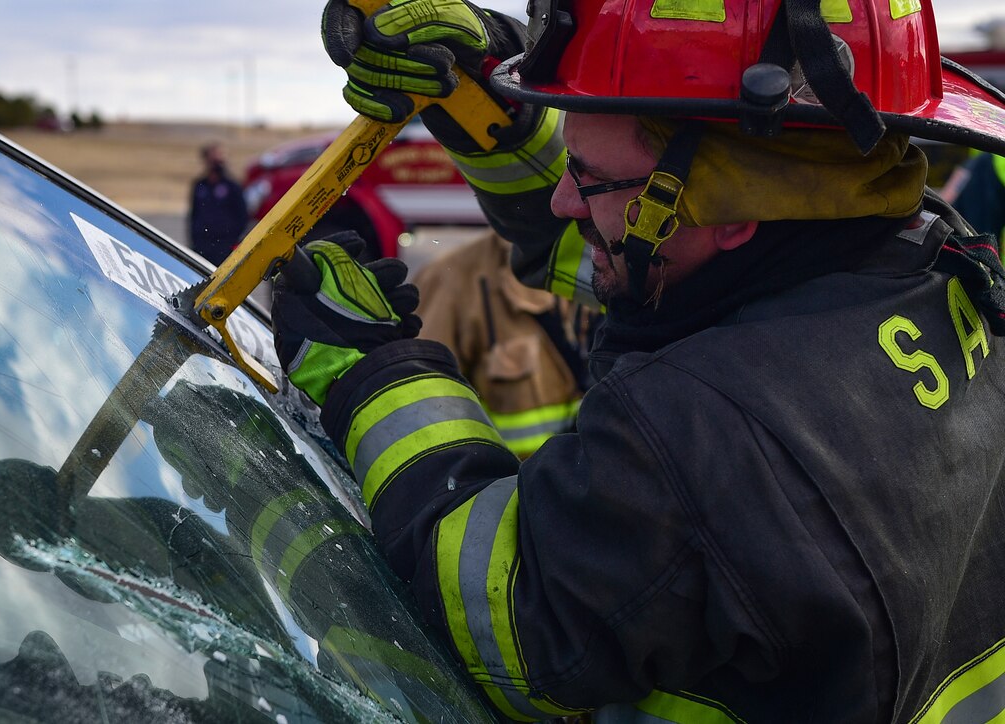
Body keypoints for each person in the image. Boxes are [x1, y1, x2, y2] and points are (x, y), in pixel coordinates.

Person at [269, 0, 1005, 720]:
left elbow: (511, 620)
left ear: (732, 205)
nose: (563, 200)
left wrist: (370, 372)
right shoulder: (932, 261)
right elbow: (641, 261)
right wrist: (495, 104)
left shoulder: (702, 432)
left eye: (588, 175)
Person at [413, 228, 598, 458]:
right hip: (506, 486)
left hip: (587, 482)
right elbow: (425, 415)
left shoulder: (603, 266)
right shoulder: (453, 280)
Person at [188, 141, 249, 266]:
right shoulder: (200, 185)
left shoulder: (232, 186)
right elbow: (194, 215)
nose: (218, 162)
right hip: (202, 246)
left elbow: (242, 216)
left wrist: (233, 240)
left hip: (224, 247)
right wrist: (195, 240)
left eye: (221, 158)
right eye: (214, 159)